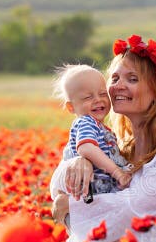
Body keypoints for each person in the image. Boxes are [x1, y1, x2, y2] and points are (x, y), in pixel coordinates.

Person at [50, 35, 156, 242]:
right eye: (114, 78)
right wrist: (77, 161)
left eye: (132, 79)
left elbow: (133, 208)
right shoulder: (113, 148)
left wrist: (71, 204)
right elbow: (56, 188)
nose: (118, 86)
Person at [51, 64, 131, 207]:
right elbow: (86, 148)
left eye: (102, 94)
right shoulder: (86, 122)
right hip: (91, 194)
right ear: (71, 107)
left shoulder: (100, 127)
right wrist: (117, 172)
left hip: (102, 192)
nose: (97, 100)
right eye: (88, 97)